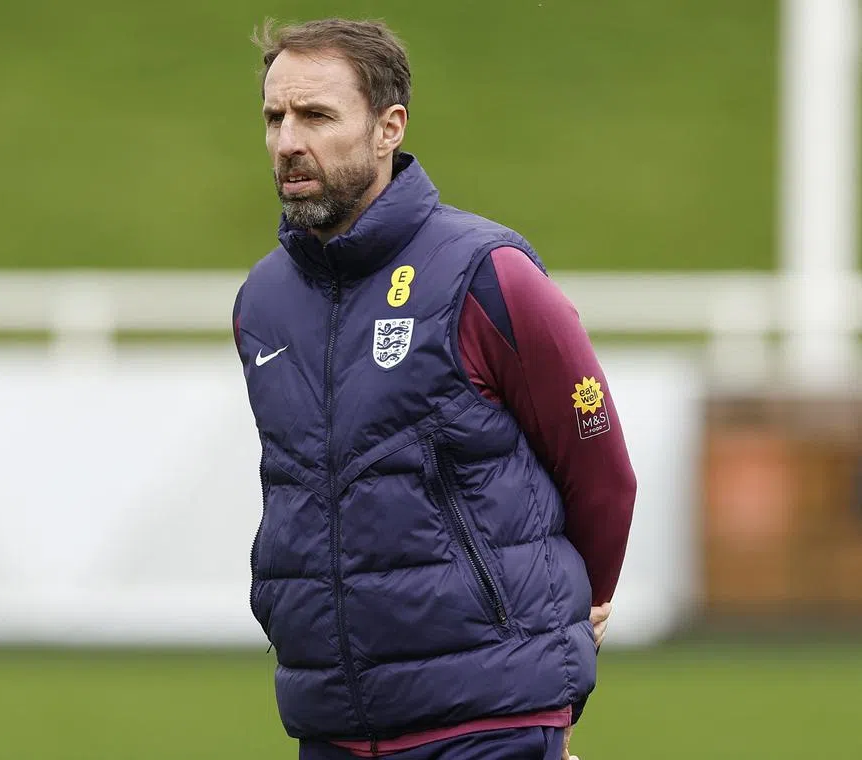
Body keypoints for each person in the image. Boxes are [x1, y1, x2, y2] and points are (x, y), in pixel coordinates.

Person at [231, 18, 637, 760]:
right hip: (332, 726)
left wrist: (579, 611)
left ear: (390, 128)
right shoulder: (261, 302)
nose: (288, 140)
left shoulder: (489, 273)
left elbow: (601, 470)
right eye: (275, 117)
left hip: (489, 723)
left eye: (317, 116)